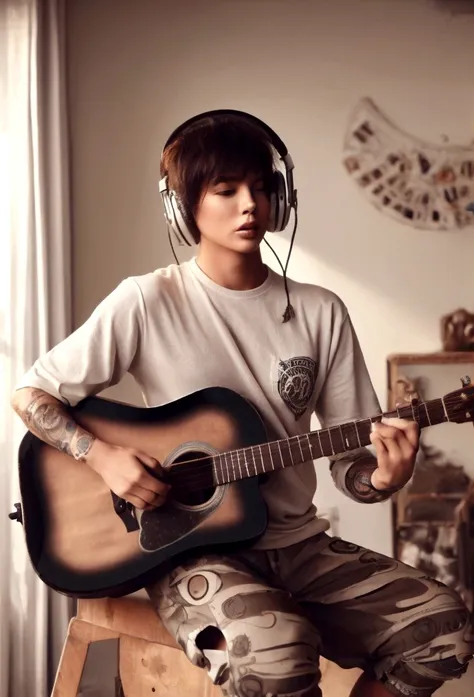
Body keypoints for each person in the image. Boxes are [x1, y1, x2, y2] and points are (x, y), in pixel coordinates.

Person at [11, 110, 473, 697]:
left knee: (445, 630)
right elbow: (30, 394)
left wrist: (384, 475)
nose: (248, 204)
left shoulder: (320, 312)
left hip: (299, 544)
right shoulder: (147, 301)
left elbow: (350, 469)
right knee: (278, 654)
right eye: (225, 191)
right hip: (192, 552)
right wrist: (100, 455)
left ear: (281, 198)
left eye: (260, 187)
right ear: (183, 208)